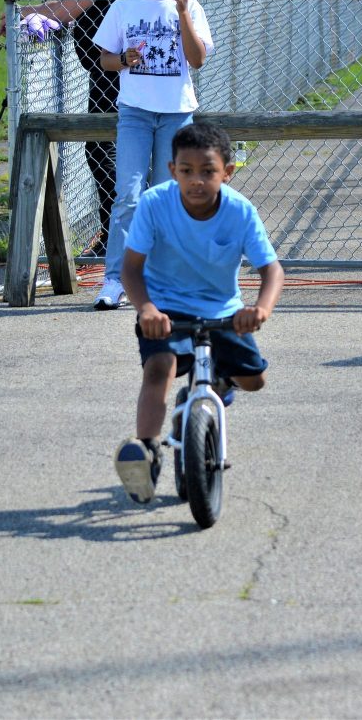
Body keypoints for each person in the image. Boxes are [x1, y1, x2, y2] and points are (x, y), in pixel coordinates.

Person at [114, 123, 285, 505]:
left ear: (228, 172)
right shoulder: (155, 204)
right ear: (172, 170)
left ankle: (216, 388)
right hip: (165, 307)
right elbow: (130, 269)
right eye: (186, 170)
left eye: (208, 171)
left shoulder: (240, 211)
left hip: (222, 309)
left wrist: (260, 309)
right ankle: (146, 452)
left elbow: (272, 270)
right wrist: (147, 308)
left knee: (254, 379)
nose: (196, 180)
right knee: (160, 367)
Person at [0, 0, 139, 257]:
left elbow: (63, 12)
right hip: (109, 74)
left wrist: (18, 14)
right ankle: (118, 233)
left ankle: (119, 235)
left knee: (101, 150)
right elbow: (64, 7)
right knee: (103, 150)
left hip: (113, 76)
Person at [92, 0, 214, 310]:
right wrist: (123, 60)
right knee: (128, 195)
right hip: (135, 113)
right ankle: (115, 279)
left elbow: (197, 60)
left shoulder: (190, 6)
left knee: (165, 196)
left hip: (176, 112)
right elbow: (104, 59)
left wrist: (181, 12)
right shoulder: (124, 7)